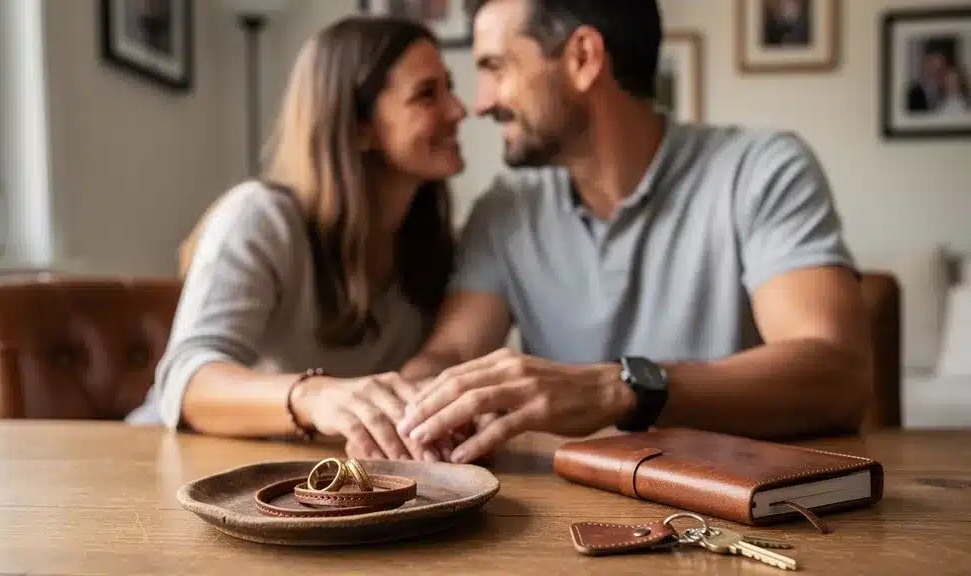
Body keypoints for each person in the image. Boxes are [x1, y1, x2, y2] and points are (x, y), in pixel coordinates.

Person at [394, 0, 873, 465]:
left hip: (742, 506)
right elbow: (452, 352)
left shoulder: (762, 170)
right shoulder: (504, 208)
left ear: (583, 58)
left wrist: (617, 390)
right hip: (570, 508)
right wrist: (403, 401)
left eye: (496, 68)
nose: (480, 104)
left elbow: (837, 375)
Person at [126, 15, 468, 463]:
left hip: (307, 481)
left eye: (450, 87)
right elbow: (186, 382)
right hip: (164, 466)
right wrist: (317, 397)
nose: (459, 110)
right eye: (427, 94)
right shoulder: (259, 217)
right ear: (358, 126)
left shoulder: (431, 241)